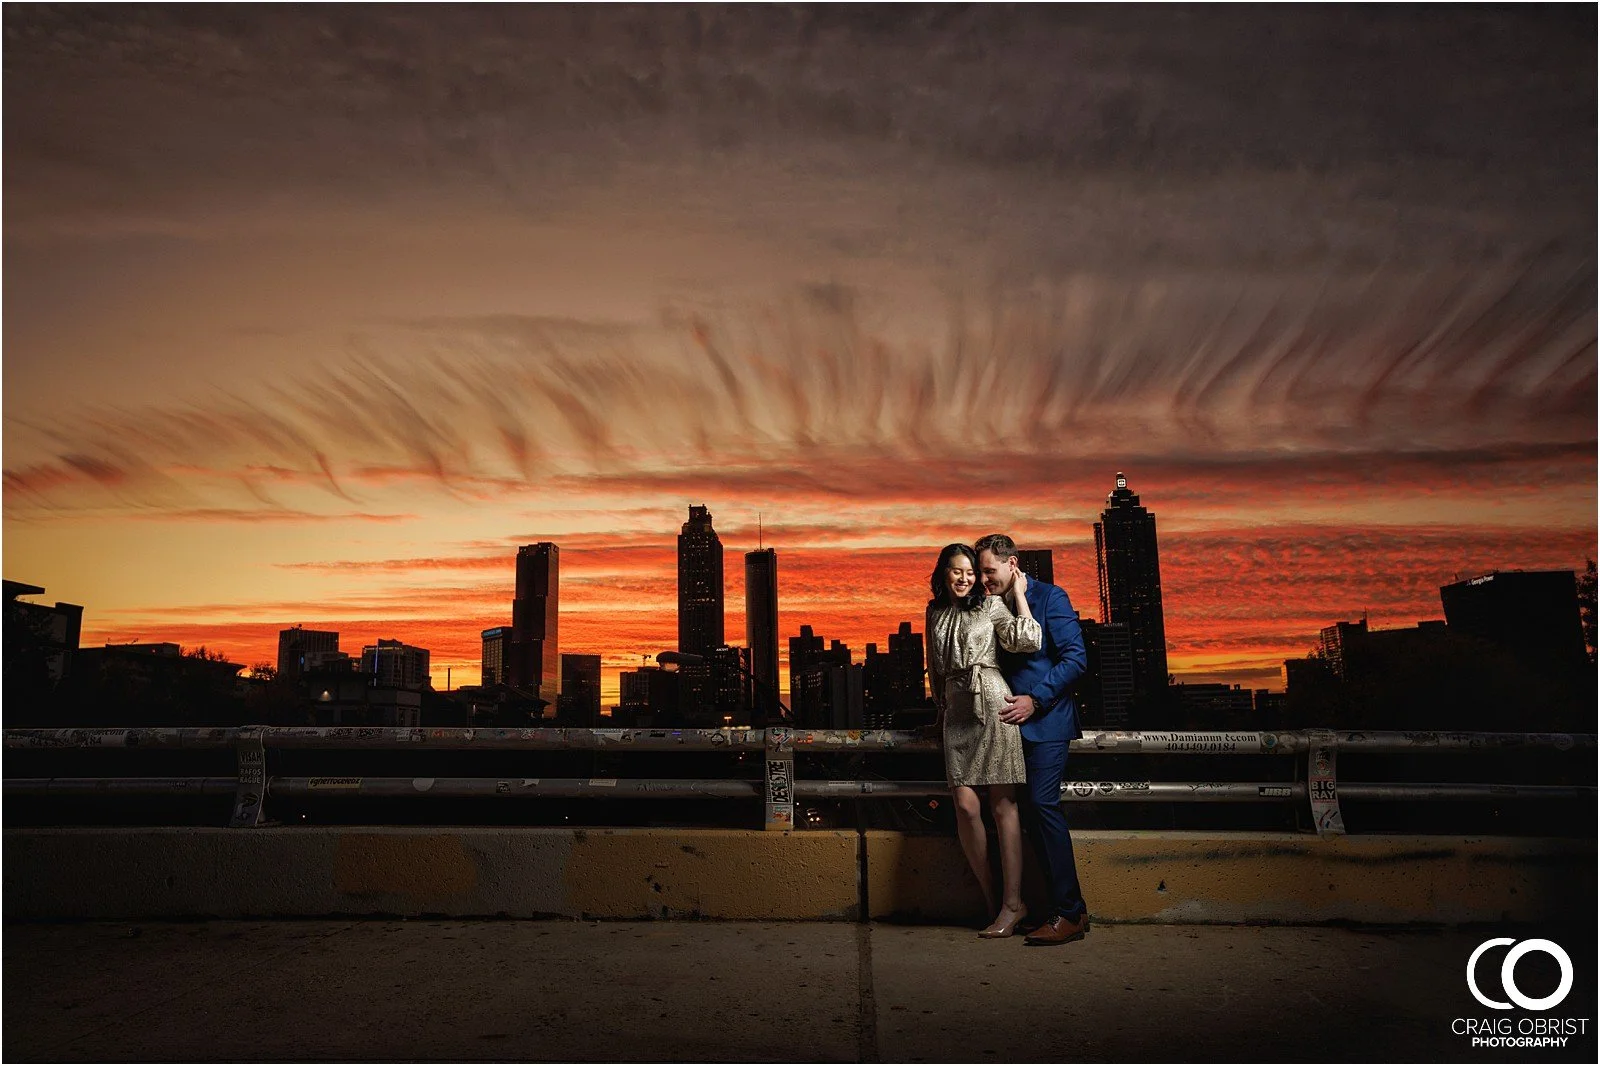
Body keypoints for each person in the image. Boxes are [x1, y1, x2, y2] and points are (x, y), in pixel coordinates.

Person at [975, 533, 1091, 947]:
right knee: (1020, 814)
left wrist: (1035, 701)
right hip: (1005, 729)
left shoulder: (1049, 596)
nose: (984, 580)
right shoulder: (988, 605)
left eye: (989, 571)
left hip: (1046, 722)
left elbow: (1076, 659)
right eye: (980, 572)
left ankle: (1071, 913)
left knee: (1043, 807)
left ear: (1012, 563)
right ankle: (1050, 909)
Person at [924, 542, 1041, 939]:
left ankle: (1013, 903)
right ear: (943, 573)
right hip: (955, 712)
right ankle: (990, 896)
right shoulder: (934, 611)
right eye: (957, 571)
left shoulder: (990, 606)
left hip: (992, 701)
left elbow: (1027, 640)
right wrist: (940, 710)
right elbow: (935, 669)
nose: (965, 578)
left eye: (970, 571)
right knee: (965, 804)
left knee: (1003, 804)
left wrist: (1019, 595)